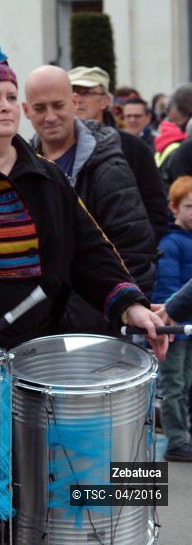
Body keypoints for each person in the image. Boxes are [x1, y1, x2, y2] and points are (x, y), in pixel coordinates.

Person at [0, 42, 166, 358]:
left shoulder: (47, 176)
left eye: (11, 97)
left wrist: (130, 305)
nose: (6, 106)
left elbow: (88, 250)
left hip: (42, 349)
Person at [22, 65, 157, 331]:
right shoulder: (21, 167)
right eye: (40, 108)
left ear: (74, 103)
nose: (50, 117)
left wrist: (120, 310)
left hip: (98, 324)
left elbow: (134, 248)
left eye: (58, 105)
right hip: (38, 327)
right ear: (26, 111)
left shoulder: (108, 166)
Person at [69, 66, 169, 241]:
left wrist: (139, 248)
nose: (78, 99)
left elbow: (156, 210)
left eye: (85, 92)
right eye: (71, 92)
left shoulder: (133, 148)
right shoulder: (50, 148)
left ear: (105, 101)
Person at [151, 176, 192, 462]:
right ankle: (176, 441)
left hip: (190, 327)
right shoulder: (171, 243)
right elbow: (166, 287)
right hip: (175, 328)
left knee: (187, 382)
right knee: (173, 385)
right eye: (189, 206)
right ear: (174, 207)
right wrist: (169, 325)